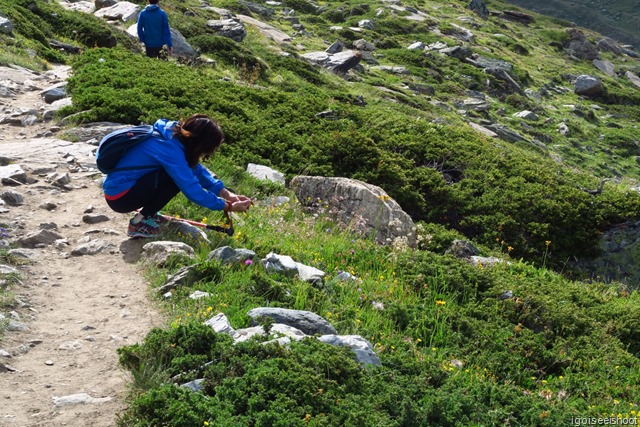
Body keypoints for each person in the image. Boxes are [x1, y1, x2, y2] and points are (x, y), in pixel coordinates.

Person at [103, 114, 252, 238]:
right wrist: (227, 206)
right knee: (174, 180)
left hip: (118, 189)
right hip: (120, 198)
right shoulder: (171, 151)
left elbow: (196, 169)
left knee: (175, 174)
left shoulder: (171, 136)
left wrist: (227, 194)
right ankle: (139, 223)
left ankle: (148, 215)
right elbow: (192, 189)